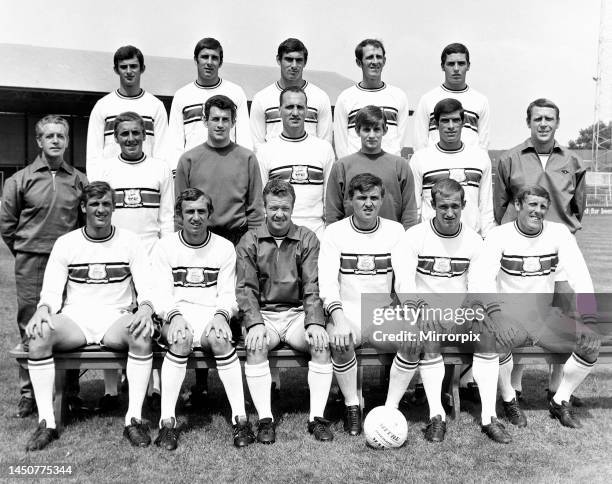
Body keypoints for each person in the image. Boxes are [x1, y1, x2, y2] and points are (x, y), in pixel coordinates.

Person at [23, 181, 157, 451]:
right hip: (76, 319)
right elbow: (50, 291)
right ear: (84, 207)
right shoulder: (66, 243)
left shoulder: (130, 241)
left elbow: (147, 288)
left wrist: (145, 308)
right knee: (38, 338)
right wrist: (42, 309)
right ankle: (46, 422)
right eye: (94, 204)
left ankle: (133, 419)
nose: (100, 209)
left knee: (142, 336)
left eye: (106, 204)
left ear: (114, 207)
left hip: (114, 318)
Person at [389, 179, 511, 443]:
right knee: (429, 336)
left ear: (464, 206)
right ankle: (437, 416)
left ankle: (490, 417)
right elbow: (404, 282)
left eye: (455, 206)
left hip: (457, 316)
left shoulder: (474, 241)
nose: (449, 212)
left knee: (487, 335)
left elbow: (479, 285)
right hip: (421, 314)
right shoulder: (414, 236)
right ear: (433, 205)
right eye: (443, 206)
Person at [472, 185, 599, 429]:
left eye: (543, 207)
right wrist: (496, 317)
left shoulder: (560, 233)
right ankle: (509, 398)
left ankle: (560, 400)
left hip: (544, 318)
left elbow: (580, 277)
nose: (537, 211)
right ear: (518, 205)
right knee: (493, 343)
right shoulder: (499, 235)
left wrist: (589, 321)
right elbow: (482, 280)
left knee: (591, 346)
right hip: (511, 317)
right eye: (532, 204)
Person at [494, 98, 588, 401]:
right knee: (523, 312)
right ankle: (517, 384)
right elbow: (500, 204)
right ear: (529, 122)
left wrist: (564, 232)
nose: (544, 124)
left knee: (561, 313)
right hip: (521, 248)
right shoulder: (510, 158)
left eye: (549, 119)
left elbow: (578, 206)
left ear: (557, 123)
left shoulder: (572, 161)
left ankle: (556, 385)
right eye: (538, 119)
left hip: (558, 249)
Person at [175, 94, 263, 403]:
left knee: (234, 303)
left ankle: (239, 383)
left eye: (226, 119)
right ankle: (200, 383)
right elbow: (180, 210)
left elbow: (255, 208)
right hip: (202, 235)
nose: (221, 124)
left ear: (233, 123)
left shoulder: (247, 158)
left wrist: (250, 245)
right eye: (215, 119)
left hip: (238, 236)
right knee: (201, 301)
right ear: (205, 120)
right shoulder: (188, 159)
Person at [152, 188, 254, 449]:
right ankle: (167, 423)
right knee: (180, 339)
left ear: (209, 215)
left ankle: (240, 420)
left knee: (221, 340)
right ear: (179, 216)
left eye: (201, 211)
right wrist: (173, 317)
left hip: (210, 315)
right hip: (177, 316)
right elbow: (161, 294)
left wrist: (221, 317)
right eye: (189, 212)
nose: (195, 217)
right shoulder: (165, 247)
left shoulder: (224, 247)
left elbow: (228, 294)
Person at [0, 115, 88, 419]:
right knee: (30, 322)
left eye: (60, 136)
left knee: (69, 321)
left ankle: (71, 392)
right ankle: (29, 393)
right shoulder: (20, 179)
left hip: (69, 264)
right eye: (48, 136)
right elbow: (7, 226)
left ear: (66, 140)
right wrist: (26, 250)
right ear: (39, 141)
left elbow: (83, 224)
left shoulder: (78, 179)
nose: (55, 141)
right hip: (32, 260)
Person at [236, 179, 334, 444]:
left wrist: (314, 322)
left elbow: (313, 283)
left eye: (285, 208)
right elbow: (246, 288)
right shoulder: (250, 240)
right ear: (265, 208)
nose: (279, 214)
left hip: (296, 314)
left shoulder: (307, 238)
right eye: (274, 207)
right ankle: (265, 420)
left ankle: (317, 418)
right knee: (256, 346)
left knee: (321, 343)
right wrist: (254, 323)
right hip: (265, 316)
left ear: (292, 208)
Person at [95, 111, 174, 410]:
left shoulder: (160, 168)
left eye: (136, 133)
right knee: (113, 313)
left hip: (152, 251)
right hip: (115, 251)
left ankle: (153, 387)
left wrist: (164, 252)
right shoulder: (106, 169)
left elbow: (166, 216)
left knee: (150, 314)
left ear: (145, 135)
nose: (130, 138)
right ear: (115, 137)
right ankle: (111, 390)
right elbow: (99, 215)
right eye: (124, 133)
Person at [319, 173, 405, 435]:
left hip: (380, 313)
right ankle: (352, 406)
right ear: (350, 200)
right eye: (361, 198)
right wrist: (339, 319)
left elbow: (403, 280)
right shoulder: (334, 232)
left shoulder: (395, 231)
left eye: (374, 198)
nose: (368, 203)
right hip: (348, 311)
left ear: (382, 200)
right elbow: (328, 283)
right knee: (339, 338)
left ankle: (390, 409)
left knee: (413, 340)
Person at [164, 37, 252, 172]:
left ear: (220, 62)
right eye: (205, 57)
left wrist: (244, 170)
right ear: (196, 60)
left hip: (229, 169)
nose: (209, 62)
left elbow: (244, 138)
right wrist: (177, 173)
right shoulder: (182, 95)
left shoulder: (235, 92)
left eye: (214, 58)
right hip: (193, 169)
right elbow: (174, 142)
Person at [256, 87, 335, 237]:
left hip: (316, 233)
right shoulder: (265, 151)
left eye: (300, 107)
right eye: (289, 107)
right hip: (278, 234)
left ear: (306, 111)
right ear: (279, 110)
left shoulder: (324, 149)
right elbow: (261, 202)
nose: (295, 112)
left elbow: (329, 201)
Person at [410, 98, 495, 236]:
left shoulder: (480, 158)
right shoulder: (420, 158)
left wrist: (487, 238)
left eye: (455, 120)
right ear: (436, 125)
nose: (451, 126)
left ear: (463, 123)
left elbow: (486, 206)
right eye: (445, 120)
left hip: (471, 238)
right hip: (432, 239)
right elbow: (414, 207)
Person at [326, 105, 417, 229]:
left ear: (385, 130)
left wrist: (407, 241)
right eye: (366, 129)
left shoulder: (400, 165)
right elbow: (333, 213)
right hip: (351, 242)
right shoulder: (341, 166)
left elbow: (409, 212)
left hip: (391, 240)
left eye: (377, 129)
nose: (372, 135)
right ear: (357, 131)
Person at [86, 45, 168, 169]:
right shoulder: (102, 106)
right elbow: (94, 153)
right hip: (111, 181)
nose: (129, 71)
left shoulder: (156, 106)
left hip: (146, 179)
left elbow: (162, 151)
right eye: (123, 67)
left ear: (142, 69)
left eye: (134, 66)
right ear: (116, 70)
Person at [249, 38, 332, 151]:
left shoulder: (320, 97)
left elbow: (325, 144)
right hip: (275, 164)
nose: (294, 65)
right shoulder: (261, 98)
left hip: (309, 163)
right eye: (289, 59)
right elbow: (257, 144)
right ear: (279, 60)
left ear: (305, 62)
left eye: (299, 60)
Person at [333, 39, 409, 159]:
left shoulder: (399, 96)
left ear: (384, 61)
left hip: (388, 168)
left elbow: (400, 141)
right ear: (359, 62)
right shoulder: (346, 98)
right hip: (357, 170)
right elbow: (341, 143)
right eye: (369, 57)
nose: (375, 62)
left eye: (378, 57)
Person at [413, 43, 490, 150]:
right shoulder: (427, 100)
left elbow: (483, 143)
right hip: (436, 164)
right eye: (451, 64)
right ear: (442, 66)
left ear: (468, 66)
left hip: (469, 164)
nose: (456, 68)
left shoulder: (480, 101)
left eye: (461, 63)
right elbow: (419, 142)